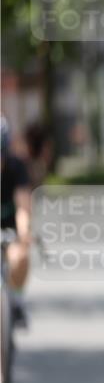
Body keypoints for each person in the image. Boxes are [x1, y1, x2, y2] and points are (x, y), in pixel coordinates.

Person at [1, 119, 32, 328]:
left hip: (9, 227)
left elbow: (22, 207)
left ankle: (17, 300)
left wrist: (24, 232)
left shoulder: (16, 167)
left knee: (20, 257)